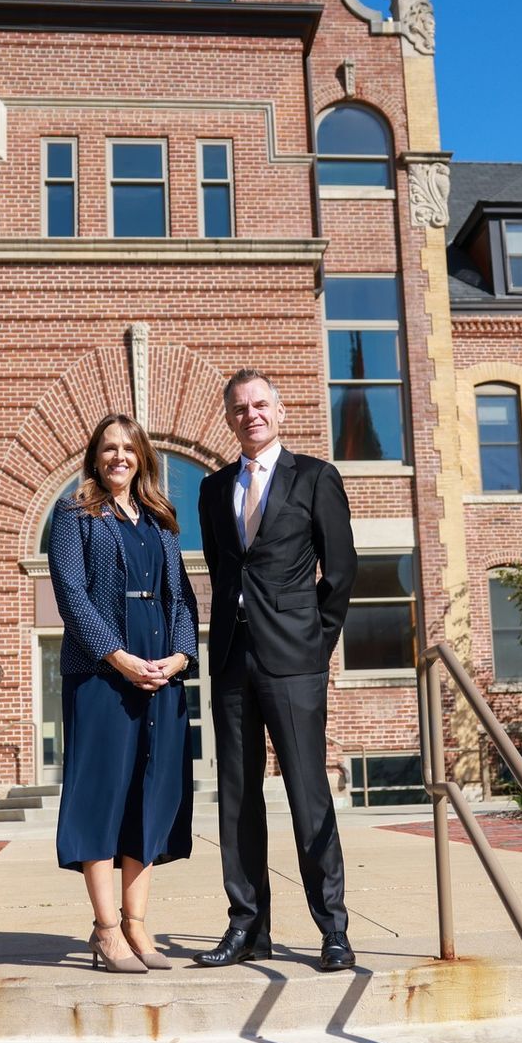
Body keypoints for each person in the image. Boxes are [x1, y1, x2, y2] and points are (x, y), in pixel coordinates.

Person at [194, 368, 358, 972]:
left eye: (260, 404)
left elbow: (340, 572)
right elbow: (220, 573)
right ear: (229, 417)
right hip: (233, 661)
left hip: (295, 664)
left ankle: (333, 930)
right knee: (237, 798)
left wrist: (315, 645)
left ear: (279, 412)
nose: (250, 415)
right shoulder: (213, 491)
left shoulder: (315, 477)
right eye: (239, 408)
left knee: (308, 795)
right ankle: (248, 927)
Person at [48, 413, 200, 973]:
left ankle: (138, 925)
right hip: (100, 678)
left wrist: (181, 655)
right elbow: (72, 595)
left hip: (161, 675)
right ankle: (106, 930)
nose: (119, 457)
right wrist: (117, 656)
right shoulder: (75, 512)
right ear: (95, 456)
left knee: (149, 798)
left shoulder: (161, 519)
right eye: (108, 448)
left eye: (128, 449)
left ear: (142, 457)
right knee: (101, 798)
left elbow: (180, 597)